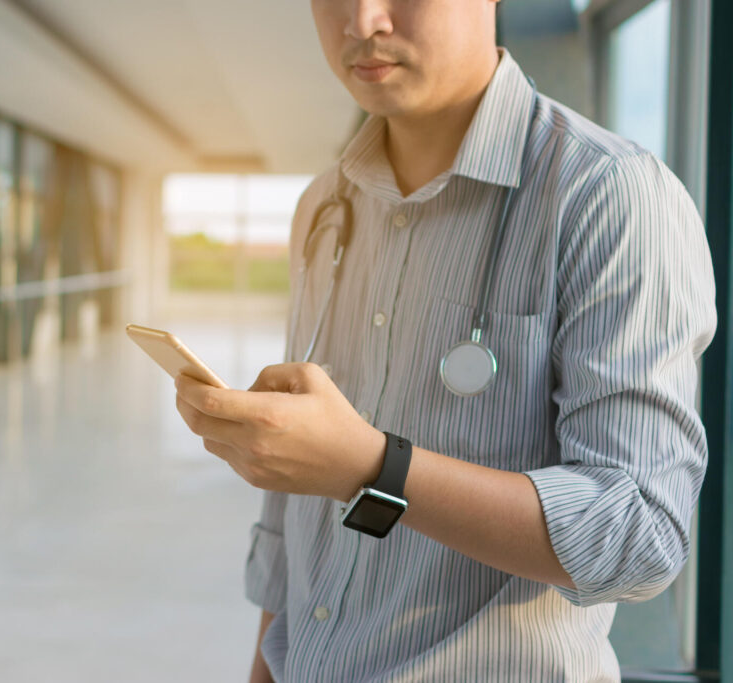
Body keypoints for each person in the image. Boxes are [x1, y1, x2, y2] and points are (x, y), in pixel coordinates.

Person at [173, 0, 717, 680]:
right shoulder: (325, 207)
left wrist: (372, 466)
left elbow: (640, 535)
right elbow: (298, 522)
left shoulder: (609, 196)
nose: (363, 20)